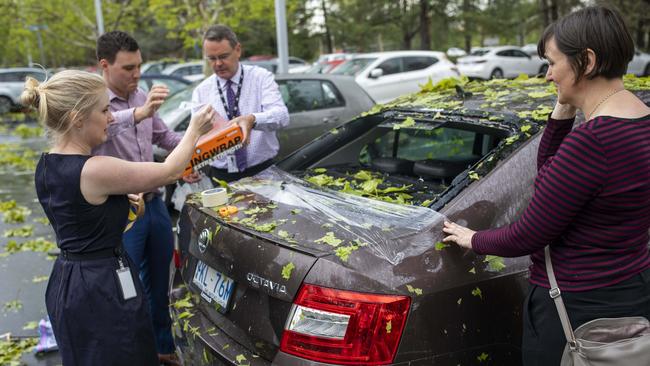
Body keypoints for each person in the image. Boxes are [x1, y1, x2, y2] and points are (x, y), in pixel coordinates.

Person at [442, 6, 650, 366]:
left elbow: (528, 235)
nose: (549, 75)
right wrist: (565, 107)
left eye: (552, 63)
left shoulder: (592, 142)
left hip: (575, 309)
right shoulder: (641, 121)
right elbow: (551, 172)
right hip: (632, 292)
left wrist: (472, 239)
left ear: (586, 60)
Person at [23, 70, 214, 365]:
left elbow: (84, 223)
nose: (111, 118)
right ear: (76, 118)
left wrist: (127, 208)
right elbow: (169, 171)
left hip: (70, 280)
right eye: (104, 110)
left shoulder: (47, 165)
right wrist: (195, 129)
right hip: (100, 287)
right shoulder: (95, 168)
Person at [92, 31, 196, 365]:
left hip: (155, 206)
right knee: (126, 290)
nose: (137, 74)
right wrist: (136, 115)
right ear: (104, 65)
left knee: (160, 284)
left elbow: (165, 136)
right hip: (121, 213)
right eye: (128, 68)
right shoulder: (93, 101)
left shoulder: (140, 95)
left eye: (139, 66)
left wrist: (198, 144)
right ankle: (132, 354)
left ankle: (163, 348)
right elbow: (90, 136)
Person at [192, 24, 290, 182]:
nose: (217, 64)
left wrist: (252, 120)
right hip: (221, 177)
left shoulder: (261, 78)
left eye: (223, 56)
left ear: (237, 50)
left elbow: (282, 117)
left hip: (263, 173)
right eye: (212, 58)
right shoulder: (202, 91)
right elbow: (196, 136)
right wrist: (191, 164)